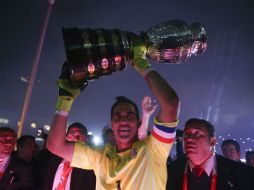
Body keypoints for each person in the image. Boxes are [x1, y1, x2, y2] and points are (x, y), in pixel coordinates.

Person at [47, 42, 180, 189]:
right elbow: (55, 146)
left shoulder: (152, 150)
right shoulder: (100, 156)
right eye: (118, 116)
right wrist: (65, 101)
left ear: (138, 123)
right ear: (111, 124)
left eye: (129, 116)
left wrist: (141, 64)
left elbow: (171, 104)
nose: (123, 120)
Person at [166, 118, 254, 190]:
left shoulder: (244, 175)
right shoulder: (169, 171)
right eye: (187, 134)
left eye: (197, 134)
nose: (190, 139)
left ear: (212, 141)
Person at [35, 122, 96, 190]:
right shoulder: (50, 157)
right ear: (65, 137)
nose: (76, 138)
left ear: (86, 140)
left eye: (80, 135)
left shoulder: (91, 164)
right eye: (72, 134)